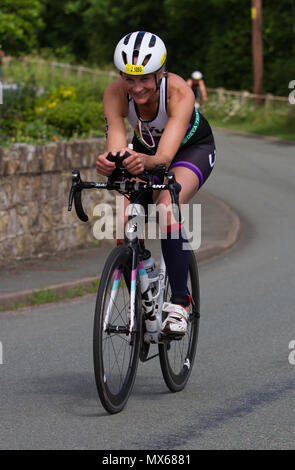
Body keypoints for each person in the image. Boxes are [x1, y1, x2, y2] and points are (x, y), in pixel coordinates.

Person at [96, 31, 216, 335]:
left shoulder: (179, 92)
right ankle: (143, 292)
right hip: (148, 149)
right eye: (129, 78)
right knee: (124, 223)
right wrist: (110, 163)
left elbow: (163, 159)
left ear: (160, 73)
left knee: (166, 206)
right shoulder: (114, 94)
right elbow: (118, 148)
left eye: (145, 79)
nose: (137, 88)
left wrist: (140, 161)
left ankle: (179, 303)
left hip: (191, 149)